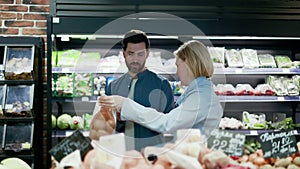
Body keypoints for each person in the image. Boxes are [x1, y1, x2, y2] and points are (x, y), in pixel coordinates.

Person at [99, 40, 223, 137]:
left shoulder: (201, 97)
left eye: (178, 65)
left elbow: (168, 123)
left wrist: (125, 104)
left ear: (189, 64)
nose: (177, 72)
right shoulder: (197, 92)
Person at [105, 29, 174, 150]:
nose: (135, 59)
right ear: (124, 53)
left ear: (147, 53)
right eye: (131, 53)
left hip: (151, 155)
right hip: (122, 154)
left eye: (140, 54)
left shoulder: (162, 84)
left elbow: (170, 123)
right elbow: (108, 124)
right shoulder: (113, 86)